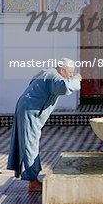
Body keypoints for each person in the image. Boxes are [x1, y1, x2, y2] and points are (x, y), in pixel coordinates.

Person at [7, 58, 82, 192]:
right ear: (62, 70)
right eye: (70, 73)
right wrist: (76, 80)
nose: (70, 75)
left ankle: (32, 177)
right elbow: (64, 87)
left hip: (27, 108)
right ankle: (33, 182)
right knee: (30, 144)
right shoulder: (54, 75)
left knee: (28, 142)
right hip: (30, 110)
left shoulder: (47, 72)